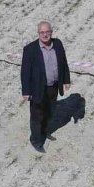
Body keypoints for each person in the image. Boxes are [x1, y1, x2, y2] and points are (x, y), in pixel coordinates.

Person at [21, 21, 71, 152]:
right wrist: (26, 91)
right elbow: (25, 72)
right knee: (37, 116)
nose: (45, 35)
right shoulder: (30, 49)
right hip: (37, 88)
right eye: (42, 32)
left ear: (51, 32)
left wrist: (66, 80)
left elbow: (63, 63)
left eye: (47, 32)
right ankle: (36, 140)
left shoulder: (58, 44)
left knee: (49, 112)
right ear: (38, 34)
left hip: (53, 87)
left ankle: (44, 132)